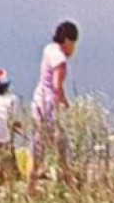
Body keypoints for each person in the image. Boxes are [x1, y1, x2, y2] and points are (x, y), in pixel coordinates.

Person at [30, 20, 79, 191]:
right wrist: (64, 102)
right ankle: (68, 180)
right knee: (61, 143)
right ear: (67, 41)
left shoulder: (49, 49)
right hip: (49, 103)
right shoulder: (60, 60)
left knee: (39, 141)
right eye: (73, 44)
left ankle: (32, 182)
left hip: (38, 98)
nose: (74, 49)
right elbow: (57, 86)